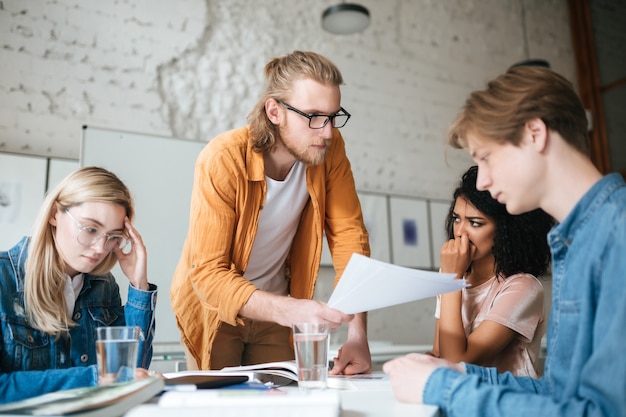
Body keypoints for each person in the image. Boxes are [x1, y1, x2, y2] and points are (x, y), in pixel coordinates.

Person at [383, 66, 626, 416]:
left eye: (485, 157)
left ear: (534, 134)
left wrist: (443, 386)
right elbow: (562, 395)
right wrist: (450, 372)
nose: (481, 181)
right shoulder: (580, 239)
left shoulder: (615, 233)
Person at [170, 50, 371, 373]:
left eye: (333, 116)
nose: (328, 132)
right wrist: (290, 311)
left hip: (278, 309)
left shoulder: (330, 150)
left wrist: (358, 334)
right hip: (218, 310)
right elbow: (208, 273)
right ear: (275, 111)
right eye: (314, 116)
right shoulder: (223, 158)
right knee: (222, 403)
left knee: (281, 401)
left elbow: (350, 238)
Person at [0, 166, 158, 404]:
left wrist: (139, 285)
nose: (100, 248)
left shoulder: (104, 287)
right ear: (55, 213)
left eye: (113, 236)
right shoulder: (4, 278)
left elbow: (130, 377)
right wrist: (93, 379)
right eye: (91, 229)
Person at [430, 165, 553, 377]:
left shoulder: (523, 288)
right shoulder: (452, 274)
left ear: (506, 231)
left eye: (475, 223)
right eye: (457, 218)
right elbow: (440, 353)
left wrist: (451, 280)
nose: (460, 233)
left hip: (508, 405)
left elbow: (457, 363)